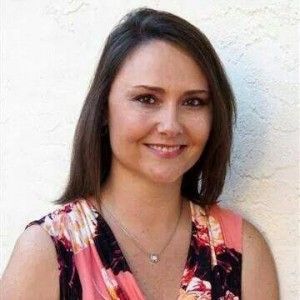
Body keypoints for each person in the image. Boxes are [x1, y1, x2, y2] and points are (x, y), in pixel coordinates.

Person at [0, 7, 279, 300]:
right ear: (104, 109)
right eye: (147, 99)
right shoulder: (48, 253)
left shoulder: (241, 251)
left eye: (193, 102)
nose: (171, 125)